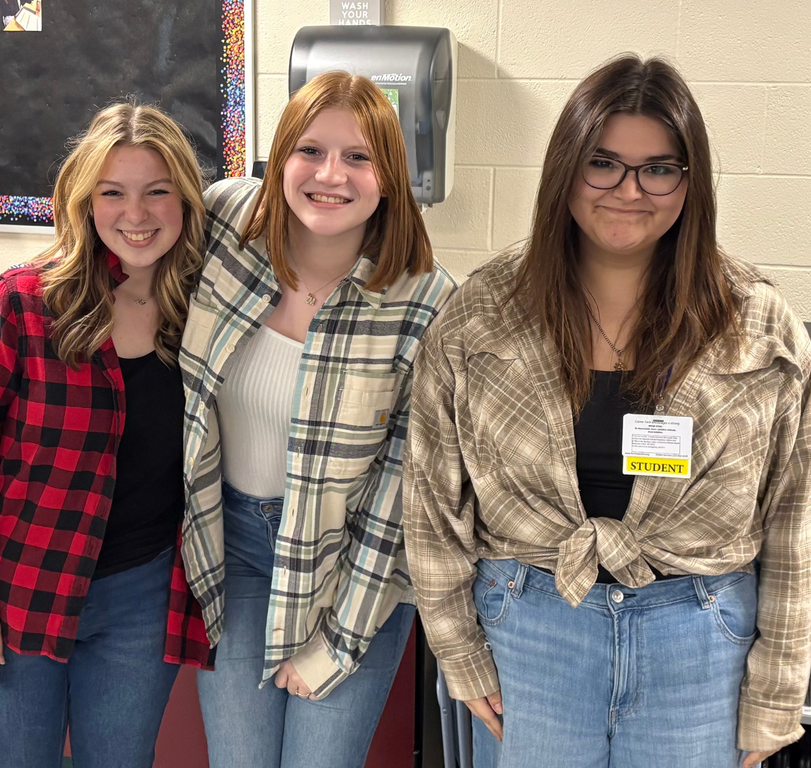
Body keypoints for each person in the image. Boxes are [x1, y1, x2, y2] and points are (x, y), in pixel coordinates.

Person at [404, 54, 811, 768]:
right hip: (531, 631)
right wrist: (458, 649)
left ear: (690, 183)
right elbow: (431, 496)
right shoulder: (483, 313)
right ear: (565, 168)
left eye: (659, 168)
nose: (630, 190)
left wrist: (777, 695)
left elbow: (794, 517)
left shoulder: (757, 325)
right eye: (603, 163)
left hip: (698, 640)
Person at [181, 70, 456, 768]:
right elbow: (124, 235)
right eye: (310, 150)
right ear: (279, 159)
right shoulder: (224, 225)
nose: (331, 174)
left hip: (349, 565)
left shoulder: (424, 300)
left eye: (359, 157)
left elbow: (404, 491)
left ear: (389, 178)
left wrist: (337, 641)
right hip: (231, 546)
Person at [0, 102, 212, 768]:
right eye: (112, 192)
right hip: (24, 589)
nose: (135, 214)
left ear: (184, 201)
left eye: (156, 192)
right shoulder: (24, 303)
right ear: (84, 202)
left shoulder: (202, 305)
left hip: (143, 598)